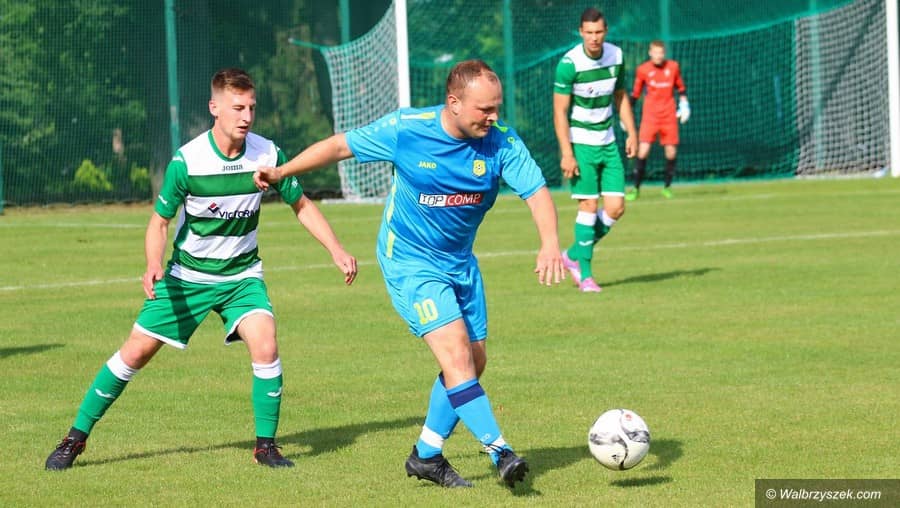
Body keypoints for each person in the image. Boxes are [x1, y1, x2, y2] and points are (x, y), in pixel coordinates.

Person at [254, 60, 566, 488]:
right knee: (456, 355)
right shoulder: (407, 129)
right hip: (409, 260)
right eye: (484, 109)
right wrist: (282, 172)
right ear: (454, 103)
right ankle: (501, 451)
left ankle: (427, 456)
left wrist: (549, 242)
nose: (493, 117)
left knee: (474, 361)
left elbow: (536, 191)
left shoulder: (501, 142)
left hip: (460, 262)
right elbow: (340, 146)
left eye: (497, 107)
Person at [44, 68, 358, 471]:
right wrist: (153, 264)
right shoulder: (188, 162)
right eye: (237, 108)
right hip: (187, 278)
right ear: (214, 108)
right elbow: (159, 221)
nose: (246, 116)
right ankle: (74, 439)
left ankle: (265, 447)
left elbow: (302, 204)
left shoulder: (267, 154)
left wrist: (336, 249)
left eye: (252, 108)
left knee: (266, 344)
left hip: (242, 278)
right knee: (134, 353)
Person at [553, 7, 637, 293]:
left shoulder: (617, 56)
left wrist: (631, 132)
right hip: (581, 144)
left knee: (616, 208)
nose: (594, 38)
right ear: (580, 32)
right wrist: (567, 153)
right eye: (588, 32)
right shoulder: (569, 64)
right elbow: (559, 111)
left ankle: (573, 254)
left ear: (606, 31)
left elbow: (621, 96)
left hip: (608, 142)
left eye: (598, 32)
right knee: (588, 206)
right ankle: (586, 276)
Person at [626, 40, 689, 200]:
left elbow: (681, 88)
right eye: (655, 52)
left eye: (661, 53)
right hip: (650, 116)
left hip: (669, 115)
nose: (658, 56)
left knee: (671, 152)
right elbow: (635, 94)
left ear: (664, 53)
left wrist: (684, 105)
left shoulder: (673, 67)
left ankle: (667, 187)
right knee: (643, 150)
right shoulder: (643, 70)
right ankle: (635, 188)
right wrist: (626, 115)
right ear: (650, 53)